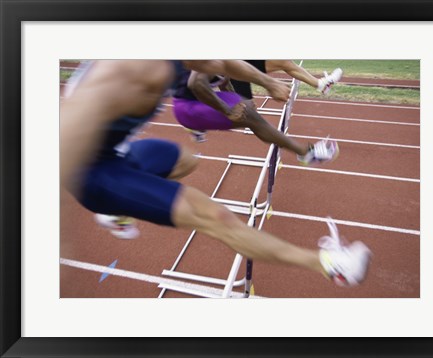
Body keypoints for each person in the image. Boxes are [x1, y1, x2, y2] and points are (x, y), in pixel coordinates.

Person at [60, 60, 371, 288]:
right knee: (216, 218)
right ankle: (330, 264)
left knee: (186, 160)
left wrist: (266, 81)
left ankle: (116, 212)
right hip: (90, 173)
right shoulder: (130, 69)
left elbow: (226, 63)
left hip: (118, 154)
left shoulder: (179, 54)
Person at [172, 61, 339, 165]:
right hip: (187, 108)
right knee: (249, 115)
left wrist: (237, 98)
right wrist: (227, 110)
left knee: (246, 109)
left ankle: (198, 129)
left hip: (201, 96)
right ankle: (306, 154)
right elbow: (196, 83)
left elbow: (224, 79)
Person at [229, 60, 343, 102]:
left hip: (240, 62)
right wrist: (271, 85)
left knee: (284, 62)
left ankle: (321, 84)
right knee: (246, 112)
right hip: (229, 65)